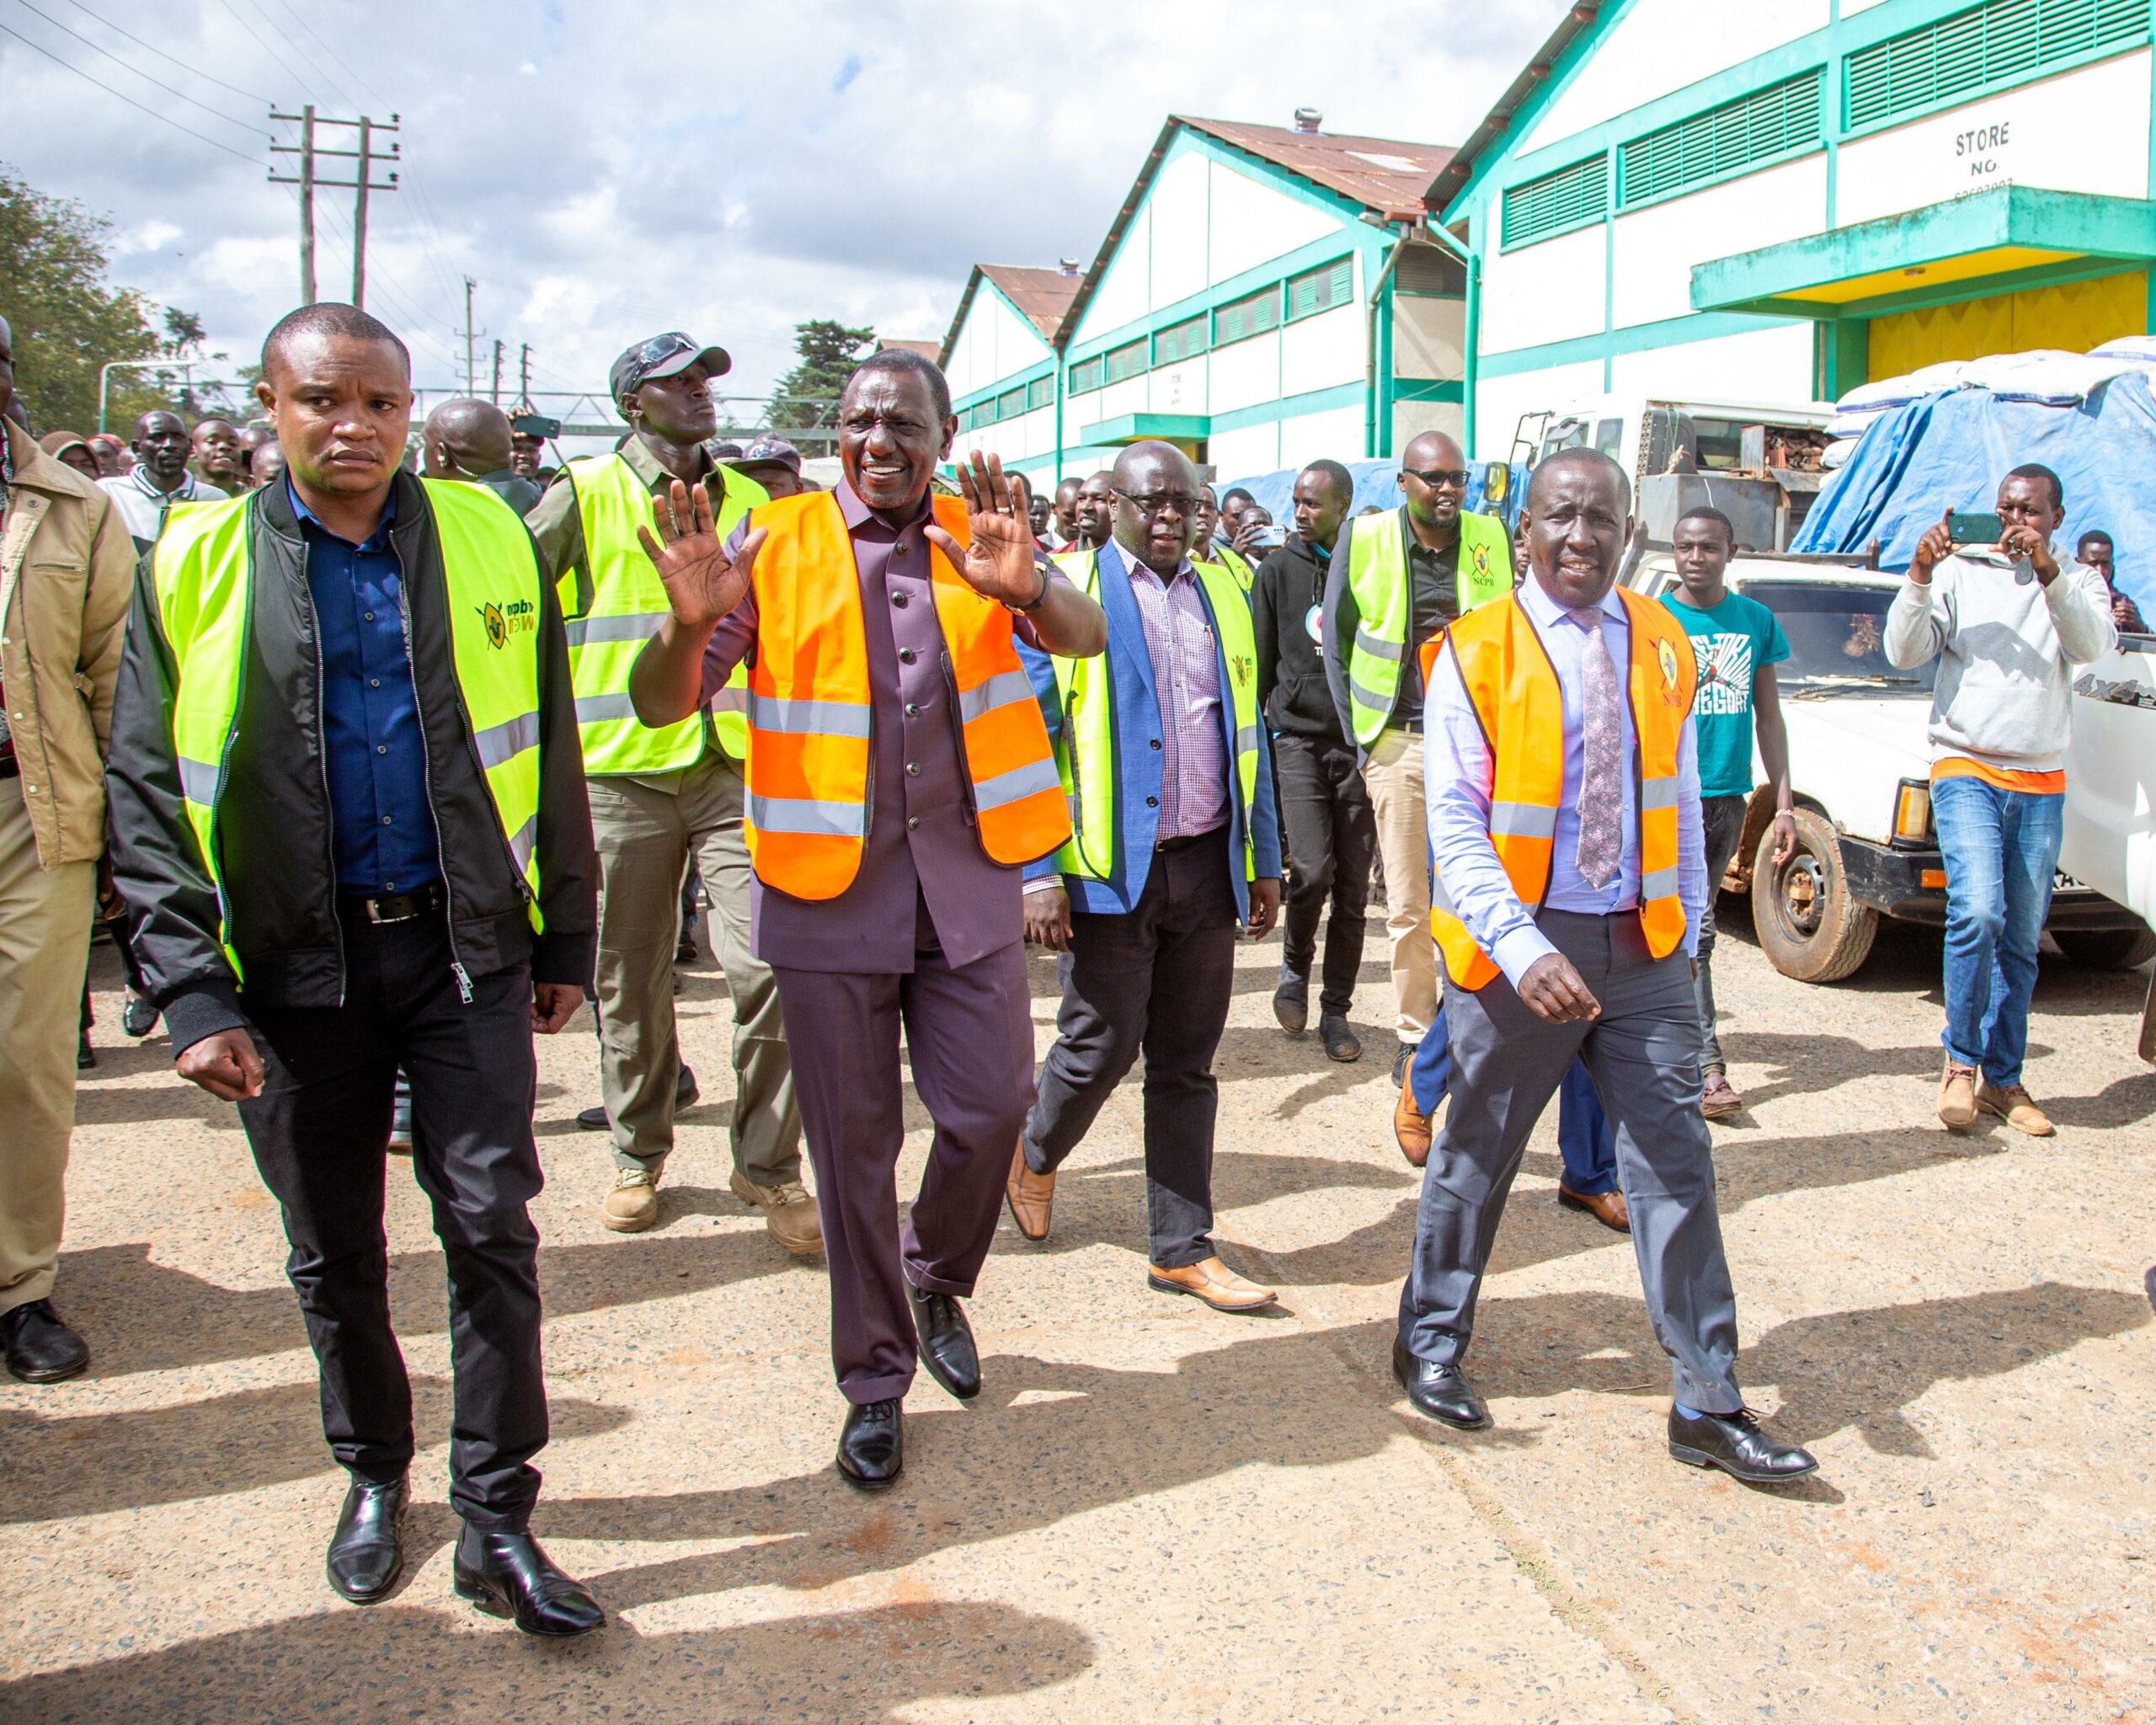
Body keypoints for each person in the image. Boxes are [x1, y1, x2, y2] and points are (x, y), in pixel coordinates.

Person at [104, 302, 605, 1632]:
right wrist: (190, 991)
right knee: (333, 1247)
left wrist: (563, 939)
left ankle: (497, 1517)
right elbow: (146, 788)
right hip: (289, 971)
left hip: (460, 958)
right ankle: (375, 1472)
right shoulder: (196, 559)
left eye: (381, 403)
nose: (356, 427)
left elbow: (546, 740)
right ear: (271, 407)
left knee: (492, 1225)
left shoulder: (487, 530)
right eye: (324, 400)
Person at [626, 349, 1106, 1489]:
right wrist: (687, 627)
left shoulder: (978, 535)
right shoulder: (774, 544)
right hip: (825, 896)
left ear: (943, 435)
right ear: (836, 434)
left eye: (902, 423)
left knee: (992, 1110)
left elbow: (1085, 637)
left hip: (967, 884)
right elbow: (662, 705)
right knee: (852, 1156)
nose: (877, 441)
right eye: (858, 422)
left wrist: (1028, 587)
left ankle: (936, 1273)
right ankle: (875, 1380)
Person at [1395, 447, 1816, 1485]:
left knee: (1675, 1164)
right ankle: (1430, 1341)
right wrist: (1519, 945)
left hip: (1643, 947)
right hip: (1519, 949)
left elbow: (1671, 791)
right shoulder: (1473, 649)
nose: (1579, 537)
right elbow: (1454, 821)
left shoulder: (1664, 638)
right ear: (1523, 528)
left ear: (1629, 531)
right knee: (1479, 1153)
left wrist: (1678, 926)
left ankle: (1707, 1397)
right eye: (1559, 516)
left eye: (1601, 519)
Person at [526, 332, 811, 1250]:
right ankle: (637, 1152)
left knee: (770, 965)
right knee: (630, 974)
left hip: (733, 759)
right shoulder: (582, 492)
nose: (699, 392)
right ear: (632, 403)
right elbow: (515, 605)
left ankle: (766, 1165)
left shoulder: (755, 500)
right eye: (675, 382)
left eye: (705, 380)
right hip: (618, 769)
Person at [1011, 442, 1283, 1311]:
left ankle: (1180, 1245)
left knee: (1186, 1063)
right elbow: (1027, 739)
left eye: (1184, 502)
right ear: (1113, 505)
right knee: (1099, 1045)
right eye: (1151, 500)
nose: (1169, 515)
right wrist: (1033, 872)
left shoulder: (1227, 595)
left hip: (1205, 863)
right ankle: (1035, 1151)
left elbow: (1251, 733)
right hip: (1105, 872)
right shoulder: (1063, 592)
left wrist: (1264, 857)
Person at [1886, 467, 2117, 1136]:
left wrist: (2048, 574)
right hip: (1967, 765)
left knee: (2022, 935)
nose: (2016, 522)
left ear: (2057, 517)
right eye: (2006, 508)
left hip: (2041, 778)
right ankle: (1961, 1063)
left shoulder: (2078, 580)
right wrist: (1921, 574)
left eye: (2032, 512)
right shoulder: (1962, 572)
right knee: (1978, 911)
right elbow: (1904, 652)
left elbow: (2094, 648)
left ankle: (2003, 1080)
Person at [0, 313, 135, 1384]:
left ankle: (18, 1287)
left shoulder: (77, 510)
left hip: (29, 819)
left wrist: (125, 849)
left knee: (26, 1058)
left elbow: (107, 681)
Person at [1324, 430, 1512, 1096]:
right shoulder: (1368, 537)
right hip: (1397, 743)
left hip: (1476, 752)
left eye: (1456, 477)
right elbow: (1337, 640)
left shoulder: (1491, 538)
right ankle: (1414, 1035)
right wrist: (1361, 738)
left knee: (1474, 897)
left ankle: (1476, 1029)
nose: (1446, 489)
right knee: (1408, 903)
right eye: (1432, 478)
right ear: (1403, 482)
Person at [1661, 507, 1795, 1119]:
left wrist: (1784, 801)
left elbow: (1769, 716)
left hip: (1724, 801)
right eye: (1685, 547)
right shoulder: (1654, 617)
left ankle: (1688, 1060)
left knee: (1698, 929)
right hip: (1664, 799)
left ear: (1730, 552)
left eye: (1708, 547)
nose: (1696, 557)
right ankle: (1704, 1066)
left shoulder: (1755, 621)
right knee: (1682, 928)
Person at [1252, 459, 1371, 1063]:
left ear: (1343, 506)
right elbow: (1262, 660)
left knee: (1353, 892)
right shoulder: (1274, 571)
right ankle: (1294, 971)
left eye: (1313, 503)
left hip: (1358, 747)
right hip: (1298, 744)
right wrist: (1270, 731)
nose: (1300, 513)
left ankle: (1336, 1010)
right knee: (1314, 871)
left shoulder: (1369, 569)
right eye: (1296, 501)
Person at [99, 409, 227, 547]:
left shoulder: (217, 500)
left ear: (190, 446)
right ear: (137, 449)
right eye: (157, 438)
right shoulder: (109, 492)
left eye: (178, 437)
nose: (170, 445)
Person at [421, 398, 543, 515]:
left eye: (531, 450)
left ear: (442, 454)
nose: (524, 456)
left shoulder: (441, 505)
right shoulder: (540, 504)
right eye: (517, 448)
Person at [2076, 529, 2145, 633]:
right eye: (2093, 563)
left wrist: (2140, 627)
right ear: (2078, 563)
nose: (2100, 570)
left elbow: (2150, 645)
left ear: (2112, 564)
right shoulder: (2067, 597)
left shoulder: (2122, 604)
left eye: (2105, 563)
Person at [1192, 484, 1256, 592]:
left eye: (1210, 507)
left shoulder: (1234, 561)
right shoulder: (1169, 563)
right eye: (1196, 505)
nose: (1203, 512)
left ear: (1217, 516)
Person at [729, 436, 808, 500]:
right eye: (750, 485)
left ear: (798, 490)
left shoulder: (812, 519)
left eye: (772, 485)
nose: (758, 493)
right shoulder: (730, 517)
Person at [190, 416, 247, 492]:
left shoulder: (254, 500)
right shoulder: (179, 499)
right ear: (192, 451)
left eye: (233, 443)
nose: (225, 446)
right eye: (212, 441)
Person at [1071, 469, 1115, 551]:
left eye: (1099, 499)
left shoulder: (1136, 559)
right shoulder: (1055, 559)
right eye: (1081, 498)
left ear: (1115, 504)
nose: (1085, 507)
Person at [37, 430, 101, 482]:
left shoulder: (105, 496)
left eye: (86, 464)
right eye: (67, 465)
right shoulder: (31, 497)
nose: (78, 471)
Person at [1049, 476, 1083, 548]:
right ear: (1054, 508)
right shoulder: (1036, 549)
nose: (1076, 523)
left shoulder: (1098, 549)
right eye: (1070, 515)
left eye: (1083, 516)